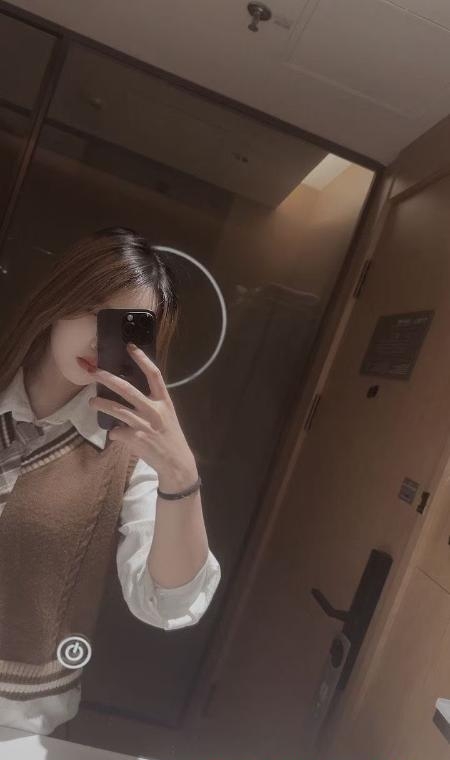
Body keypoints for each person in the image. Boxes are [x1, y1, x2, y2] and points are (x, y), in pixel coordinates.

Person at [0, 226, 221, 735]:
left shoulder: (127, 455)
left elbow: (166, 602)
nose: (101, 341)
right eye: (94, 309)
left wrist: (181, 476)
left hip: (13, 722)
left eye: (125, 327)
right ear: (59, 297)